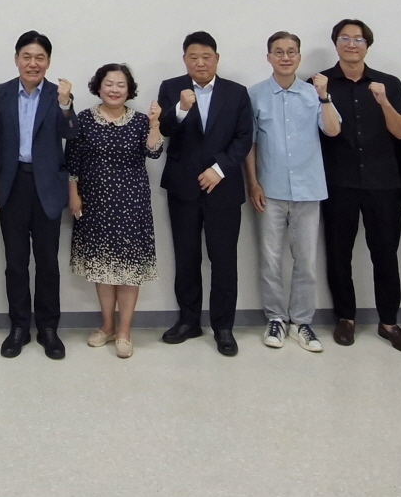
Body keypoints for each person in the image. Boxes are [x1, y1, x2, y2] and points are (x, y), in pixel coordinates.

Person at [319, 19, 401, 354]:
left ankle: (389, 322)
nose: (351, 44)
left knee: (385, 254)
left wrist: (384, 102)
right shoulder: (320, 83)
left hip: (383, 183)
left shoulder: (389, 83)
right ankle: (345, 318)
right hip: (338, 183)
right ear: (335, 43)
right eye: (344, 38)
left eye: (358, 39)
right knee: (338, 254)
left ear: (367, 45)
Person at [157, 32, 254, 356]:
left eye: (206, 57)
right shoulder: (171, 88)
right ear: (185, 60)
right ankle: (189, 321)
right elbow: (164, 129)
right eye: (193, 57)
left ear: (217, 58)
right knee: (186, 257)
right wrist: (181, 109)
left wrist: (220, 169)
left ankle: (223, 327)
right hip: (183, 187)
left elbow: (244, 137)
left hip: (223, 187)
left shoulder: (237, 92)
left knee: (224, 260)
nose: (200, 63)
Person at [244, 31, 339, 354]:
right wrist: (253, 183)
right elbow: (250, 144)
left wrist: (324, 97)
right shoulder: (255, 95)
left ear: (299, 57)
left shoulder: (314, 93)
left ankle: (302, 321)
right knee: (270, 259)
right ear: (268, 57)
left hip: (308, 189)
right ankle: (276, 318)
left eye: (291, 52)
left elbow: (333, 129)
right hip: (269, 190)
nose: (285, 57)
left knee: (306, 260)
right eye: (279, 51)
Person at [0, 31, 76, 359]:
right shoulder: (1, 93)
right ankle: (20, 327)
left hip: (47, 188)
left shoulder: (59, 94)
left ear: (48, 62)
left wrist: (66, 105)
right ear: (16, 59)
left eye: (40, 58)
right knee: (15, 262)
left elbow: (71, 133)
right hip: (12, 186)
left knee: (47, 262)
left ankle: (49, 328)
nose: (33, 63)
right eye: (27, 56)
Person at [66, 63, 161, 359]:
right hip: (95, 203)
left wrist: (155, 124)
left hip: (132, 204)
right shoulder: (84, 119)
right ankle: (107, 326)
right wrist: (74, 195)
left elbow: (154, 151)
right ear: (99, 86)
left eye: (121, 84)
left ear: (128, 89)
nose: (114, 89)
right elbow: (72, 161)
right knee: (103, 267)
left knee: (129, 271)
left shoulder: (140, 121)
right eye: (109, 83)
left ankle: (124, 331)